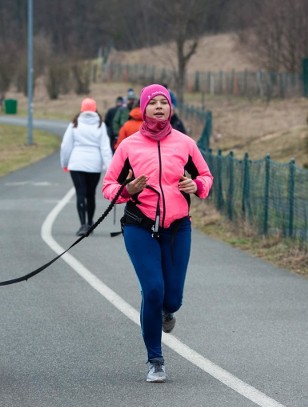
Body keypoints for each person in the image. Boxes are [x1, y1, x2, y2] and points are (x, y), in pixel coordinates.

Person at [102, 84, 213, 383]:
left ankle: (166, 311)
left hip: (177, 227)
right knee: (153, 290)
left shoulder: (185, 144)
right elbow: (108, 186)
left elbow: (206, 176)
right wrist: (127, 190)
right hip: (140, 226)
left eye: (165, 102)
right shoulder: (129, 146)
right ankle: (155, 360)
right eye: (154, 103)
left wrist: (197, 186)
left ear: (170, 109)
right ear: (144, 108)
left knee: (172, 298)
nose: (160, 107)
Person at [60, 98, 113, 236]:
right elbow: (105, 148)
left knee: (80, 193)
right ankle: (90, 223)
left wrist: (64, 163)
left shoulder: (74, 124)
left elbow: (66, 146)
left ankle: (83, 224)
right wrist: (110, 169)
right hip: (94, 165)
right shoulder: (100, 125)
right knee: (91, 194)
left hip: (77, 163)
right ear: (95, 109)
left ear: (82, 108)